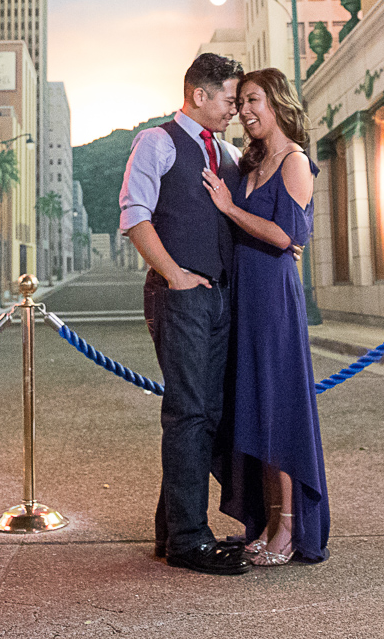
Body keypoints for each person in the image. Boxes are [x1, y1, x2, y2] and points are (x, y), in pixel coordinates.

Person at [117, 52, 249, 576]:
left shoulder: (229, 154)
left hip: (219, 295)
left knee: (205, 414)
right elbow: (134, 215)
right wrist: (174, 275)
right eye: (230, 100)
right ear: (201, 94)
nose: (234, 110)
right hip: (181, 296)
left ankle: (172, 530)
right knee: (190, 412)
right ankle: (189, 540)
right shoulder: (157, 141)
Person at [203, 67, 330, 566]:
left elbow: (287, 237)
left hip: (274, 301)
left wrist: (230, 209)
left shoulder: (295, 160)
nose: (246, 111)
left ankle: (290, 531)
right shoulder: (250, 161)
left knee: (278, 413)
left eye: (254, 100)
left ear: (276, 102)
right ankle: (263, 523)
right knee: (253, 413)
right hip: (244, 300)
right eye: (241, 103)